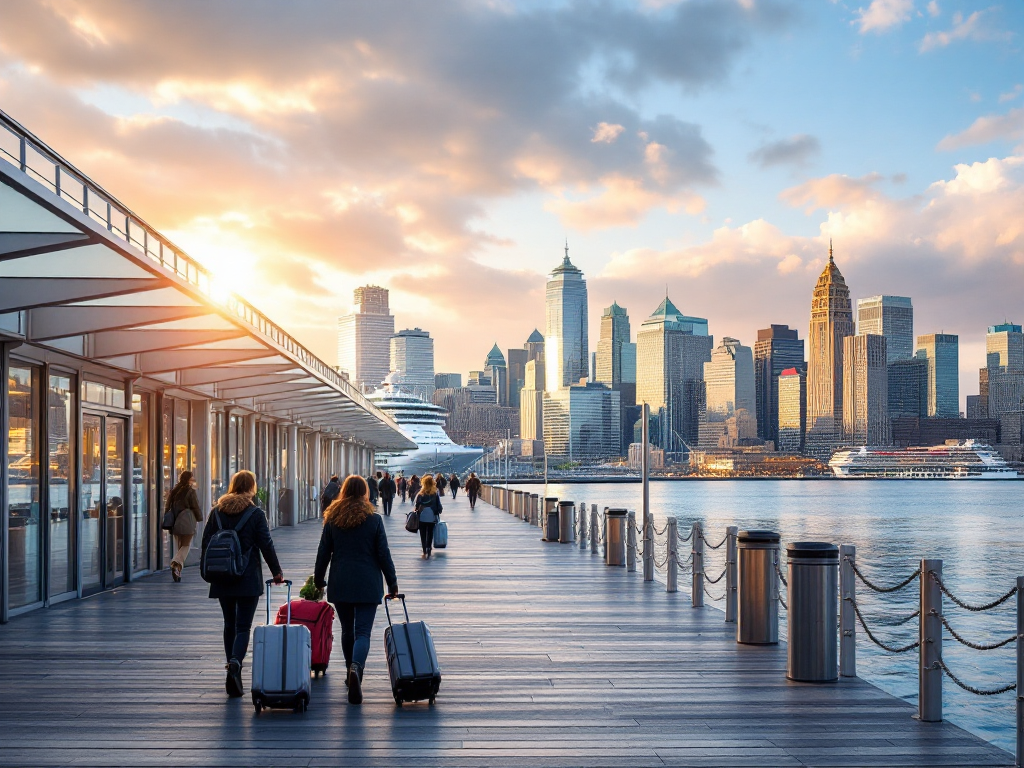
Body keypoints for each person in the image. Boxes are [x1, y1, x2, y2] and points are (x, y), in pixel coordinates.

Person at [314, 475, 398, 705]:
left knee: (347, 631)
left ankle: (349, 670)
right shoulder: (374, 519)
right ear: (365, 492)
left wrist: (319, 579)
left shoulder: (333, 518)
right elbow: (383, 554)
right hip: (367, 582)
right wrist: (392, 583)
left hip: (341, 581)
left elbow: (323, 553)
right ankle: (356, 669)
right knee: (362, 632)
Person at [201, 469, 283, 698]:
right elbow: (266, 544)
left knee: (229, 624)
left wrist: (206, 571)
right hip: (247, 577)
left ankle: (231, 664)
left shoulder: (217, 512)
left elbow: (206, 542)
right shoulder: (255, 513)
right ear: (251, 487)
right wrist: (276, 572)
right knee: (243, 626)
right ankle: (236, 663)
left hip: (221, 575)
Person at [166, 470, 203, 582]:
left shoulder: (174, 491)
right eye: (192, 477)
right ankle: (175, 563)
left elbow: (167, 506)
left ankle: (178, 572)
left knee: (180, 546)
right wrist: (200, 518)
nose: (193, 479)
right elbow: (195, 506)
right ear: (188, 479)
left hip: (175, 521)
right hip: (187, 520)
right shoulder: (190, 491)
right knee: (186, 545)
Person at [413, 475, 443, 559]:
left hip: (422, 516)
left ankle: (424, 550)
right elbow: (438, 505)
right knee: (430, 533)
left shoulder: (421, 493)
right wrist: (439, 510)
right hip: (432, 516)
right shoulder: (435, 493)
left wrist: (417, 509)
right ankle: (429, 548)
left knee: (423, 533)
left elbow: (417, 505)